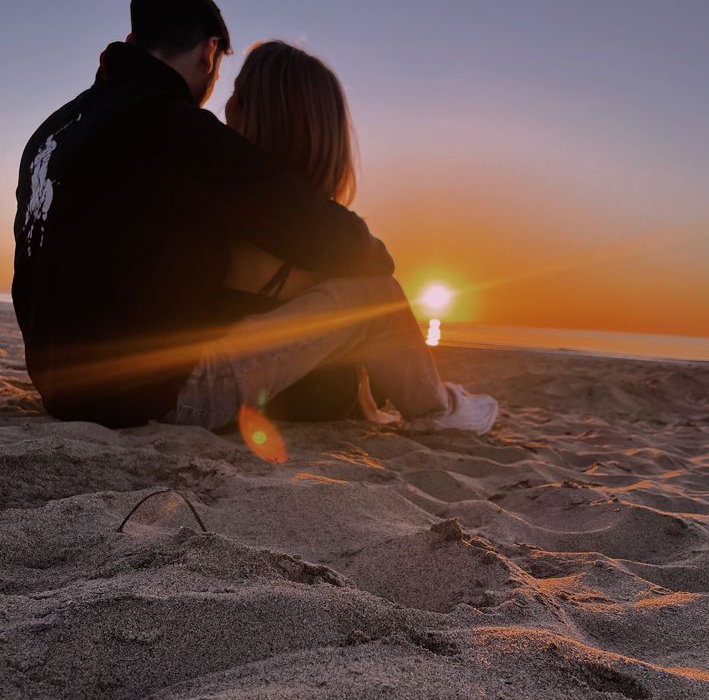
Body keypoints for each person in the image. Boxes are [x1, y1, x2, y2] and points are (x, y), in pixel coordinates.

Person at [12, 0, 393, 428]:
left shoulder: (51, 133)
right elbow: (319, 231)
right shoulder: (175, 129)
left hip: (57, 383)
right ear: (209, 52)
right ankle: (440, 408)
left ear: (133, 41)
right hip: (137, 396)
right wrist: (374, 251)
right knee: (372, 292)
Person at [172, 40, 499, 434]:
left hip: (196, 381)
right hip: (189, 387)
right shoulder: (283, 221)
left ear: (259, 115)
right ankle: (439, 408)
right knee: (374, 294)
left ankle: (435, 404)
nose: (227, 106)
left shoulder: (229, 197)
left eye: (238, 97)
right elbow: (375, 264)